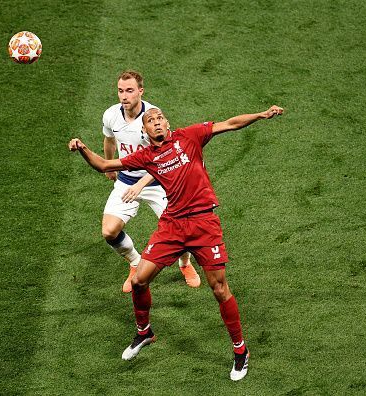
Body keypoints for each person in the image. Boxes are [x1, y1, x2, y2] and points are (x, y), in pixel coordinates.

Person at [68, 104, 283, 381]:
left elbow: (229, 123)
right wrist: (83, 148)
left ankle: (241, 351)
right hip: (172, 225)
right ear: (144, 131)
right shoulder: (146, 155)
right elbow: (105, 165)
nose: (156, 122)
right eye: (150, 120)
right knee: (139, 280)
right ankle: (144, 333)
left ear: (167, 124)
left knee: (219, 289)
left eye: (160, 118)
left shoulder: (189, 136)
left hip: (204, 223)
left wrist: (261, 114)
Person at [101, 70, 199, 292]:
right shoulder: (111, 115)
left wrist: (140, 185)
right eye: (120, 91)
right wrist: (109, 165)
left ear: (140, 92)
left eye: (129, 91)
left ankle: (185, 264)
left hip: (160, 182)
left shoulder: (153, 119)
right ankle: (135, 263)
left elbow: (165, 158)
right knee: (109, 231)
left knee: (181, 230)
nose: (124, 96)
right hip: (126, 181)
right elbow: (109, 140)